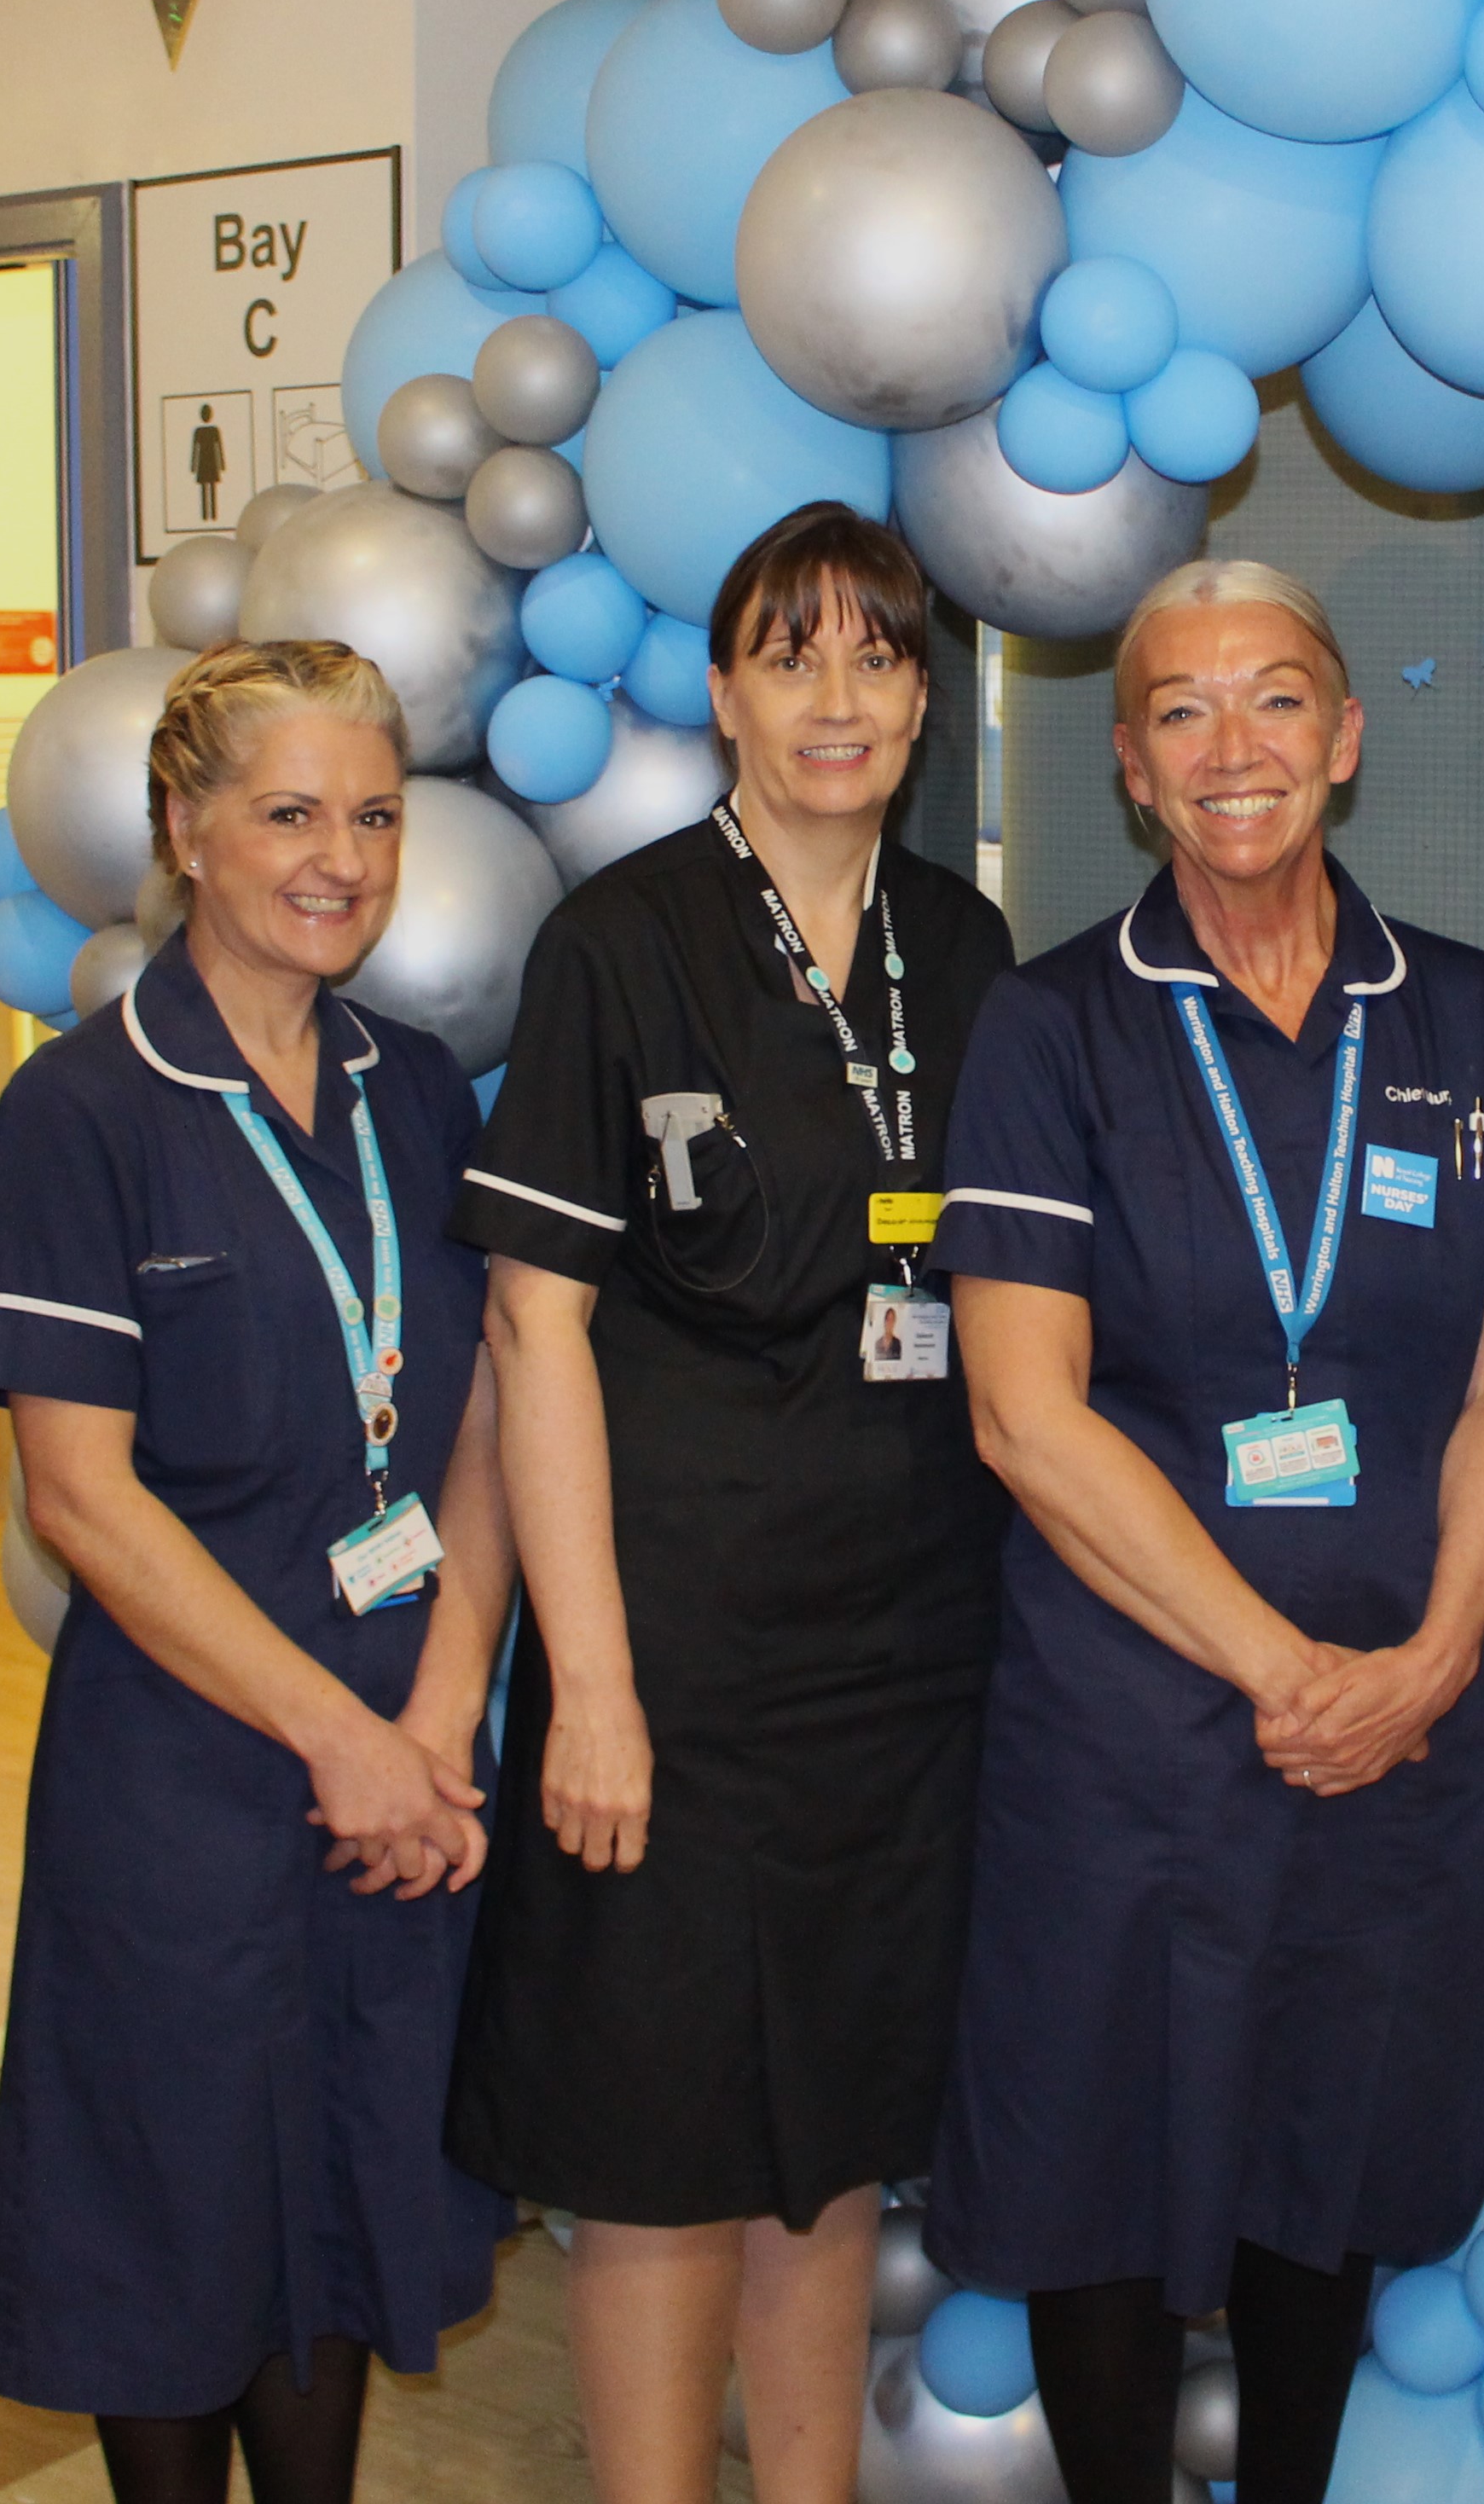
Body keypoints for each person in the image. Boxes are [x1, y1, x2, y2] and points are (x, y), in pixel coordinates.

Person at [931, 559, 1484, 2504]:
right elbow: (1023, 1414)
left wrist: (1437, 1658)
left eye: (1279, 699)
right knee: (1104, 2185)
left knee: (1337, 2152)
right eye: (1186, 712)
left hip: (1400, 1713)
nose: (1238, 748)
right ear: (1129, 766)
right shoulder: (1052, 1034)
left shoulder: (1467, 1016)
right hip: (1133, 1733)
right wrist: (1285, 1671)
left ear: (1348, 737)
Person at [446, 507, 1017, 2504]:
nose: (837, 700)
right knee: (662, 2154)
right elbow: (535, 1335)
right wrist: (584, 1687)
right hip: (672, 1650)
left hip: (904, 1653)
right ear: (723, 692)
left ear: (927, 696)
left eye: (877, 657)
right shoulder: (620, 943)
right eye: (794, 657)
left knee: (832, 2139)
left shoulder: (965, 949)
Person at [0, 639, 519, 2502]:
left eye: (372, 815)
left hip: (403, 1740)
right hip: (187, 1769)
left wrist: (436, 1716)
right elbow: (82, 1495)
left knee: (354, 2188)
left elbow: (482, 1421)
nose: (341, 858)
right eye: (289, 812)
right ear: (185, 830)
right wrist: (336, 1742)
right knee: (171, 2218)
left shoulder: (417, 1089)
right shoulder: (86, 1111)